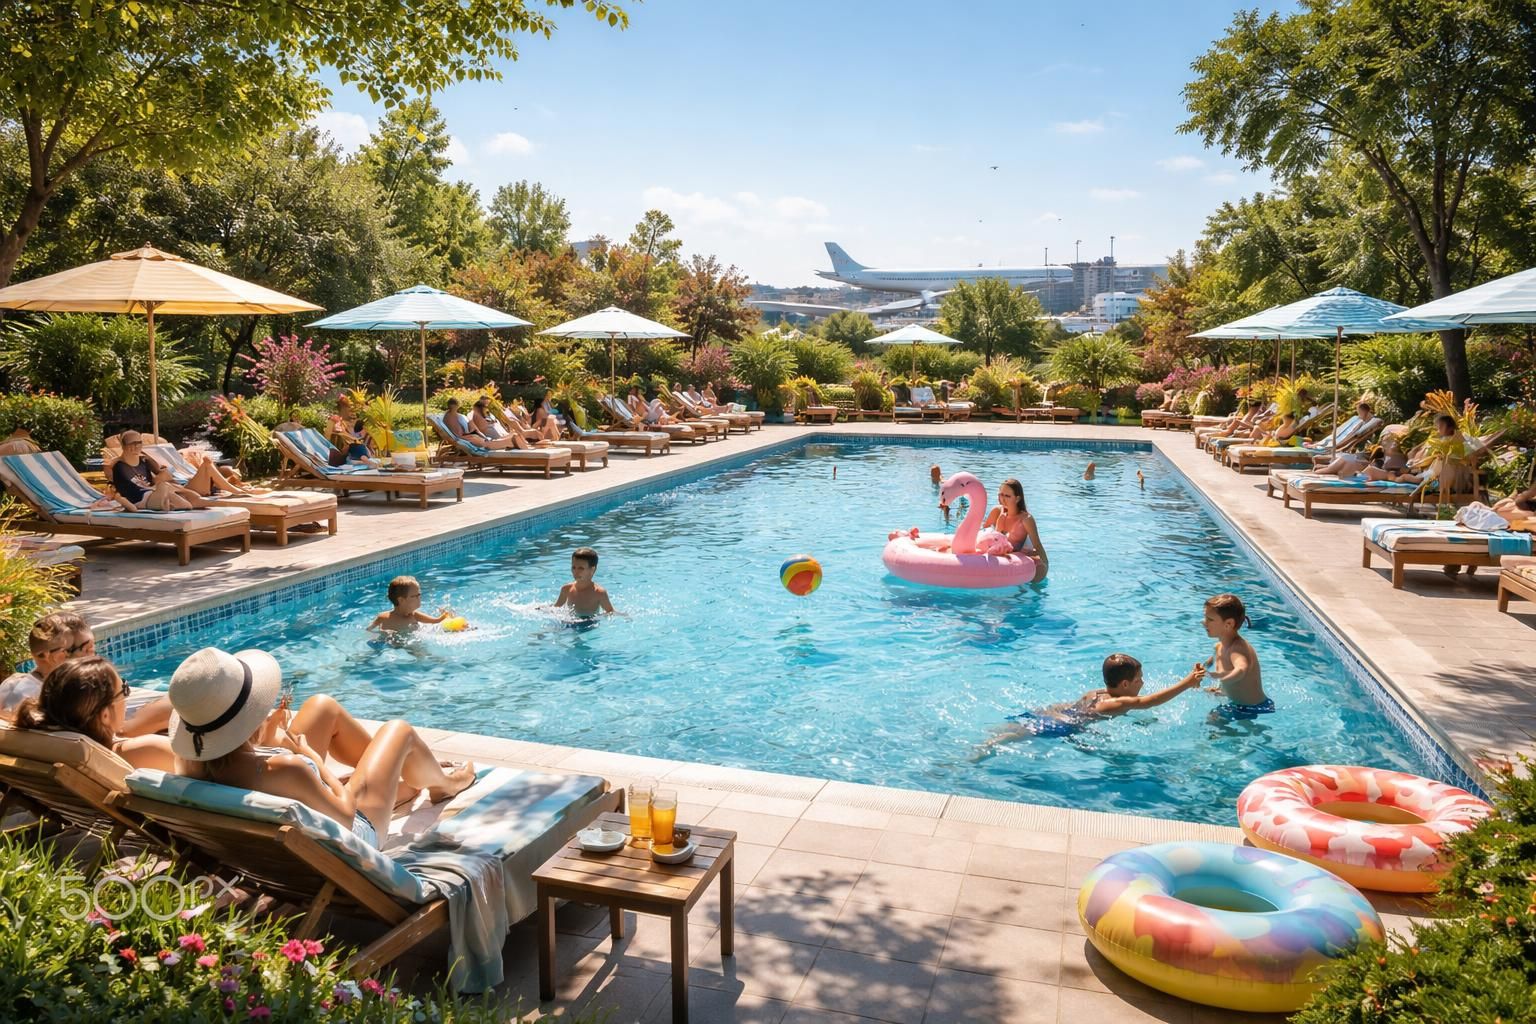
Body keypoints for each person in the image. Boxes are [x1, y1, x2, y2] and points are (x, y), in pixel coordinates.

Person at [167, 647, 476, 848]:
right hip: (357, 833)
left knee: (322, 706)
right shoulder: (290, 769)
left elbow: (249, 768)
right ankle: (443, 785)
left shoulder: (189, 763)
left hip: (293, 809)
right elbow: (346, 815)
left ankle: (397, 774)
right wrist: (313, 759)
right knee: (398, 731)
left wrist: (267, 737)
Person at [975, 654, 1207, 754]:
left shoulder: (1095, 693)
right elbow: (1148, 702)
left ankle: (986, 743)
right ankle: (978, 754)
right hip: (1061, 726)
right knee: (1005, 740)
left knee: (1010, 731)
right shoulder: (1117, 703)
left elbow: (1068, 707)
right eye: (1139, 680)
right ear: (1125, 684)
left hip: (1051, 715)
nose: (1143, 683)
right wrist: (1187, 683)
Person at [3, 613, 173, 735]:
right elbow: (102, 738)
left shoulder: (12, 688)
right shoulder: (62, 698)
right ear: (58, 656)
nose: (95, 656)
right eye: (88, 649)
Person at [13, 656, 177, 770]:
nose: (127, 696)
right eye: (124, 690)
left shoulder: (45, 748)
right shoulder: (146, 750)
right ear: (105, 715)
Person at [1201, 594, 1271, 717]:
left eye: (1210, 619)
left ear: (1228, 624)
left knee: (1213, 719)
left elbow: (1241, 670)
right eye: (1205, 617)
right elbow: (1213, 662)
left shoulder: (1237, 649)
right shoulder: (1219, 647)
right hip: (1237, 704)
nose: (1203, 622)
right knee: (1213, 718)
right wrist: (1203, 672)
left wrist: (1215, 676)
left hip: (1253, 707)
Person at [110, 431, 210, 511]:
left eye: (139, 443)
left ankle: (166, 502)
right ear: (123, 446)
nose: (136, 446)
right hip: (143, 497)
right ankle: (165, 502)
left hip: (155, 492)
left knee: (187, 505)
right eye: (131, 443)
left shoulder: (144, 462)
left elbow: (161, 472)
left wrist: (149, 459)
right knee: (165, 486)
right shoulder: (119, 466)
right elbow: (123, 490)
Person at [978, 478, 1049, 580]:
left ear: (1017, 498)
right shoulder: (998, 513)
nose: (1002, 499)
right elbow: (985, 537)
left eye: (1007, 496)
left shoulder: (1026, 519)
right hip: (998, 556)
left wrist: (1045, 565)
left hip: (1016, 558)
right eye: (1001, 494)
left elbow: (1037, 545)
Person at [369, 576, 454, 631]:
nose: (419, 598)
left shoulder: (415, 615)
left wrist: (445, 615)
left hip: (408, 645)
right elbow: (369, 630)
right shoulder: (383, 617)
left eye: (419, 595)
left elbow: (436, 621)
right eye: (415, 596)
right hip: (387, 644)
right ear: (401, 600)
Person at [555, 547, 614, 615]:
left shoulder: (599, 593)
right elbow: (555, 609)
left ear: (592, 569)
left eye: (581, 568)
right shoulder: (566, 589)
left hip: (591, 621)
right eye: (573, 567)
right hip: (569, 621)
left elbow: (610, 612)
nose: (576, 572)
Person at [327, 396, 372, 464]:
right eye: (349, 408)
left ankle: (364, 460)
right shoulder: (335, 419)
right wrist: (354, 440)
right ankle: (366, 461)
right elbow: (338, 434)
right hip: (339, 448)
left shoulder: (342, 421)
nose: (350, 411)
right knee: (357, 447)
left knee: (359, 447)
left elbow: (346, 434)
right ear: (343, 408)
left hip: (346, 447)